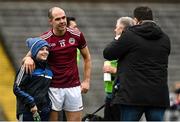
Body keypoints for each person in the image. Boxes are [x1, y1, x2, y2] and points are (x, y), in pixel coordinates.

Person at [23, 7, 91, 121]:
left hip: (73, 87)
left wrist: (87, 81)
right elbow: (27, 56)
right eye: (58, 19)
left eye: (64, 18)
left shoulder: (77, 35)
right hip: (52, 88)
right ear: (51, 21)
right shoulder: (44, 39)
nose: (62, 21)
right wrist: (27, 59)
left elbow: (87, 57)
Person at [103, 6, 171, 121]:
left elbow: (108, 53)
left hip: (132, 95)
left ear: (135, 20)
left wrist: (118, 37)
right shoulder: (165, 38)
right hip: (157, 95)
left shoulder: (130, 35)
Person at [13, 37, 53, 121]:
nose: (45, 52)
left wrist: (47, 106)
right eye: (41, 49)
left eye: (47, 49)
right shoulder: (27, 66)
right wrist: (31, 104)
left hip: (44, 112)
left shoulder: (49, 69)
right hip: (27, 111)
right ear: (34, 51)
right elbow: (17, 88)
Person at [103, 17, 134, 121]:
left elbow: (132, 70)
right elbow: (108, 54)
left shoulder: (131, 46)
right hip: (111, 91)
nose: (114, 30)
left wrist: (113, 70)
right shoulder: (117, 44)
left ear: (122, 29)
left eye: (117, 28)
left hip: (122, 94)